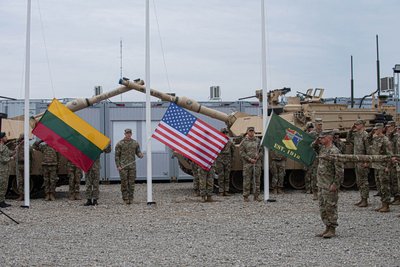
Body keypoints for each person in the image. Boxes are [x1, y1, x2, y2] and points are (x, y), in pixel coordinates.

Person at [315, 130, 343, 239]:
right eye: (320, 138)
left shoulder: (334, 151)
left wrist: (336, 184)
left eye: (322, 138)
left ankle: (332, 228)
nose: (320, 139)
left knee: (331, 206)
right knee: (323, 207)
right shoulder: (322, 149)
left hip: (329, 184)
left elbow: (340, 170)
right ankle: (327, 226)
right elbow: (313, 146)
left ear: (329, 138)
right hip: (321, 183)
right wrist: (317, 141)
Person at [368, 123, 393, 212]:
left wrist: (388, 167)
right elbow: (369, 141)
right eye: (375, 129)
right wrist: (372, 133)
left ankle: (386, 205)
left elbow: (390, 155)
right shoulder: (375, 138)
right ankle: (383, 204)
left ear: (381, 129)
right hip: (376, 166)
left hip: (383, 166)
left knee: (384, 186)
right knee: (379, 186)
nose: (375, 131)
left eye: (377, 129)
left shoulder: (385, 140)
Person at [115, 129, 143, 205]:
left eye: (129, 133)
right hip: (123, 167)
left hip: (132, 167)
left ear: (131, 134)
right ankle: (125, 198)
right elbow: (117, 156)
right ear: (124, 134)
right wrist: (118, 166)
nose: (128, 135)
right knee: (124, 183)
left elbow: (138, 152)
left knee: (131, 183)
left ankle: (131, 198)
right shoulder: (120, 144)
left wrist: (140, 155)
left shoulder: (135, 143)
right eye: (127, 133)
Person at [346, 119, 370, 207]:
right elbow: (348, 139)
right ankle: (362, 198)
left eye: (357, 124)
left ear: (362, 125)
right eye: (355, 124)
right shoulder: (356, 134)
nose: (356, 125)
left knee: (364, 181)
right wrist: (351, 130)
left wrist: (367, 162)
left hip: (363, 161)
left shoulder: (365, 135)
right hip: (357, 160)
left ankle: (365, 200)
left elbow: (368, 149)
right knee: (359, 181)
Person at [240, 126, 263, 202]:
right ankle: (246, 196)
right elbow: (241, 153)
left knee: (257, 180)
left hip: (257, 163)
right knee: (247, 180)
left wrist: (258, 156)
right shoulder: (244, 142)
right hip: (248, 164)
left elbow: (261, 151)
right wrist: (249, 159)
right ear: (247, 132)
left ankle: (256, 196)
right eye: (250, 131)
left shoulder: (258, 141)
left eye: (252, 131)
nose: (251, 132)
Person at [215, 128, 235, 196]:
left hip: (228, 161)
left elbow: (233, 151)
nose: (225, 134)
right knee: (221, 176)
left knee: (227, 176)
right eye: (223, 133)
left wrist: (232, 160)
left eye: (226, 133)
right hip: (219, 161)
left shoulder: (230, 143)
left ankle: (226, 190)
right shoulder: (217, 142)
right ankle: (221, 191)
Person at [385, 121, 399, 204]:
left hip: (396, 160)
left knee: (395, 180)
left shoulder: (396, 136)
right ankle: (395, 196)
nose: (388, 128)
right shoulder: (389, 136)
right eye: (387, 127)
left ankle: (398, 197)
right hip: (391, 160)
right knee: (392, 179)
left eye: (389, 126)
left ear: (393, 126)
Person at [309, 118, 324, 200]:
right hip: (315, 157)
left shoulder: (324, 133)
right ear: (315, 124)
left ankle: (322, 192)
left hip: (324, 156)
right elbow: (308, 143)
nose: (320, 126)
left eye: (321, 124)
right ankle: (315, 192)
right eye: (318, 124)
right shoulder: (312, 134)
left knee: (324, 175)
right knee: (315, 175)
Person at [15, 134, 32, 201]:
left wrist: (30, 167)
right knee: (20, 181)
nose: (23, 140)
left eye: (23, 138)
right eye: (22, 138)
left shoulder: (28, 147)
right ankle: (21, 195)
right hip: (19, 165)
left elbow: (31, 158)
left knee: (26, 181)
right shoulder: (17, 146)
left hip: (26, 165)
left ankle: (26, 195)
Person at [0, 132, 13, 208]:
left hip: (5, 170)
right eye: (5, 136)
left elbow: (9, 153)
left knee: (4, 186)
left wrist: (16, 149)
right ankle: (1, 202)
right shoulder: (1, 147)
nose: (6, 137)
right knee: (2, 185)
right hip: (2, 170)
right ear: (1, 138)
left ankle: (2, 200)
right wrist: (11, 158)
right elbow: (3, 159)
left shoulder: (4, 147)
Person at [304, 122, 315, 193]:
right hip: (307, 156)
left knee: (314, 174)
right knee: (308, 174)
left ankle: (313, 188)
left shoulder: (315, 135)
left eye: (312, 127)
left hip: (314, 156)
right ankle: (308, 188)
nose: (311, 129)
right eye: (309, 127)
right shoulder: (304, 135)